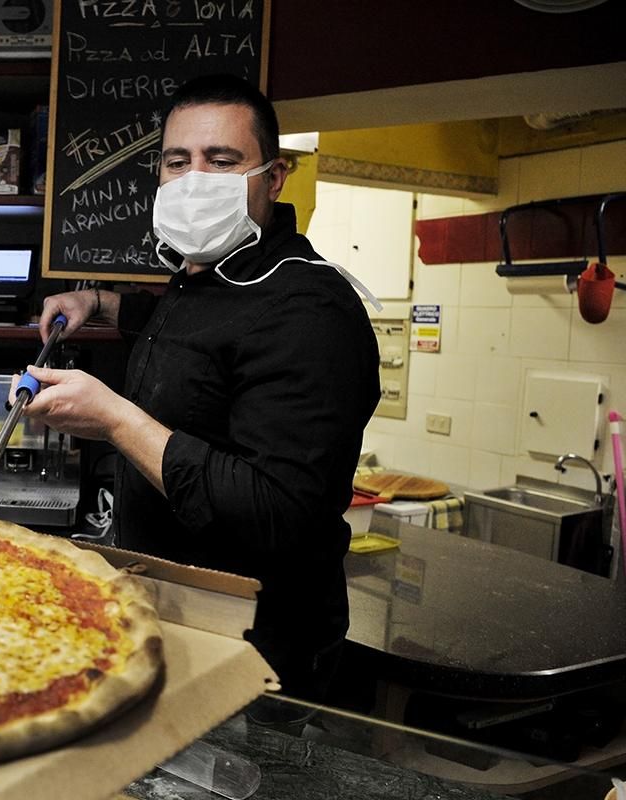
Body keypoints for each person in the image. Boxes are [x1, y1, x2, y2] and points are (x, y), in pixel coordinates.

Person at [24, 74, 381, 705]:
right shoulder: (203, 276)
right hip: (168, 615)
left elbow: (279, 513)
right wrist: (99, 302)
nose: (194, 181)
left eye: (222, 162)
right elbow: (198, 341)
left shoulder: (312, 311)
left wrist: (114, 419)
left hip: (257, 657)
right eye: (176, 162)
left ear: (274, 178)